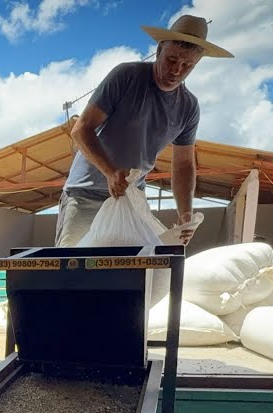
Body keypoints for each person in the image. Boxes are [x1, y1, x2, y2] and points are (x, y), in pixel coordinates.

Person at [55, 15, 232, 248]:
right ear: (159, 50)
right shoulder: (126, 76)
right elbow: (81, 130)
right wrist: (110, 172)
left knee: (131, 270)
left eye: (187, 66)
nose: (177, 71)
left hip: (131, 199)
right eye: (171, 60)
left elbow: (183, 165)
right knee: (72, 270)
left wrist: (185, 212)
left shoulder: (188, 107)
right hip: (85, 195)